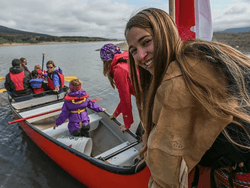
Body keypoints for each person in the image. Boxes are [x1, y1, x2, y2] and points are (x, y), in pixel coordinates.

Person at [125, 8, 250, 188]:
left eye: (146, 42)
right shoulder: (201, 51)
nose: (141, 56)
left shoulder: (177, 79)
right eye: (133, 50)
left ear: (165, 33)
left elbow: (166, 159)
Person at [100, 43, 135, 132]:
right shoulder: (127, 60)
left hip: (150, 98)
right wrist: (116, 114)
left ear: (106, 61)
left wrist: (127, 124)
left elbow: (125, 99)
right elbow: (126, 96)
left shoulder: (119, 70)